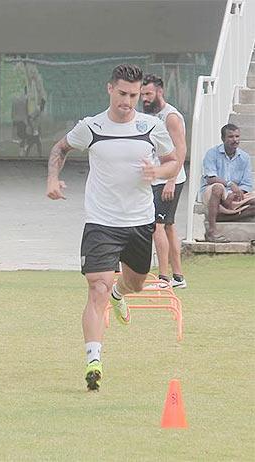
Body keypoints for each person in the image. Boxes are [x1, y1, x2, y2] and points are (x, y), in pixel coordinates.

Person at [46, 64, 177, 391]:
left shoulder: (151, 126)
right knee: (97, 287)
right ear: (109, 89)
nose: (128, 101)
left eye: (134, 95)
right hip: (101, 221)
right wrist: (52, 178)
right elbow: (59, 148)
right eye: (122, 94)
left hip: (139, 221)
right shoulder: (92, 127)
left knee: (134, 283)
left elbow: (174, 160)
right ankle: (94, 359)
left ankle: (122, 294)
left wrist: (158, 173)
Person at [141, 74, 187, 288]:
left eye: (148, 94)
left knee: (156, 226)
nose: (145, 98)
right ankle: (178, 277)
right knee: (168, 226)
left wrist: (171, 179)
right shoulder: (151, 116)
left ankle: (163, 278)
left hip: (170, 180)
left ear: (160, 92)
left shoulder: (171, 117)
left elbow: (181, 150)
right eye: (142, 95)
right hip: (157, 178)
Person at [199, 123, 255, 242]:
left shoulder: (244, 157)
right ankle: (212, 232)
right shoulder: (212, 153)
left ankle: (221, 216)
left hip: (234, 196)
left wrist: (233, 195)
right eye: (230, 137)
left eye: (237, 136)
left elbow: (247, 184)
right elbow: (210, 178)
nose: (235, 140)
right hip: (213, 193)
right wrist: (230, 185)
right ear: (223, 138)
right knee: (218, 188)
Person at [11, 87, 29, 156]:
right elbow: (14, 110)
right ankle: (24, 146)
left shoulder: (16, 99)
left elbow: (13, 110)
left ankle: (22, 148)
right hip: (21, 119)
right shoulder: (24, 100)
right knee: (21, 134)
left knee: (21, 134)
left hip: (21, 119)